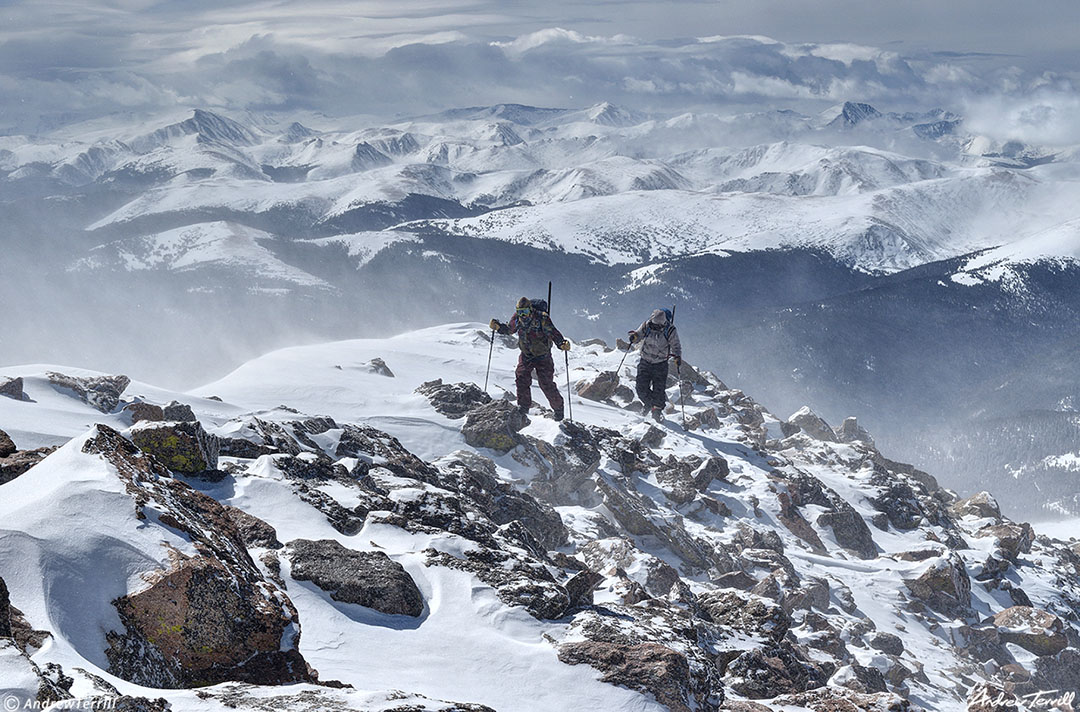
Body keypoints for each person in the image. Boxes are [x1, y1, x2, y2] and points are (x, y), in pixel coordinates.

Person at [490, 297, 571, 420]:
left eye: (525, 312)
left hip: (543, 356)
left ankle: (559, 409)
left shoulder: (542, 318)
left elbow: (553, 332)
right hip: (526, 354)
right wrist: (498, 327)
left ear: (530, 310)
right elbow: (510, 329)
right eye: (520, 312)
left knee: (546, 384)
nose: (523, 315)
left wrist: (561, 343)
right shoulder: (517, 318)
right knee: (521, 377)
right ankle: (523, 407)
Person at [628, 308, 682, 422]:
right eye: (654, 324)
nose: (655, 327)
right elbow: (638, 334)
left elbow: (676, 345)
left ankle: (656, 412)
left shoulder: (670, 330)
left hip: (660, 363)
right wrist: (635, 337)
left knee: (659, 389)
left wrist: (677, 357)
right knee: (641, 388)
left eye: (658, 326)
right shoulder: (647, 325)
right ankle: (650, 405)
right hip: (645, 360)